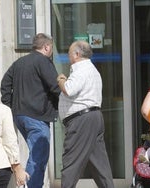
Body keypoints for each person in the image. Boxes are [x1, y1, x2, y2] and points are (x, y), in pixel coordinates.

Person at [0, 33, 60, 188]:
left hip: (20, 115)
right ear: (46, 47)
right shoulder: (43, 61)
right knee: (38, 157)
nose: (51, 50)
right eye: (51, 47)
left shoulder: (19, 62)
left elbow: (5, 83)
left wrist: (10, 107)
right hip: (37, 116)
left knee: (36, 155)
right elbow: (55, 87)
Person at [57, 40, 114, 188]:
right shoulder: (92, 70)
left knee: (71, 162)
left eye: (69, 53)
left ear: (77, 54)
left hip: (81, 120)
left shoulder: (80, 68)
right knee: (100, 164)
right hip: (93, 118)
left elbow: (69, 89)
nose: (68, 57)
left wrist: (61, 80)